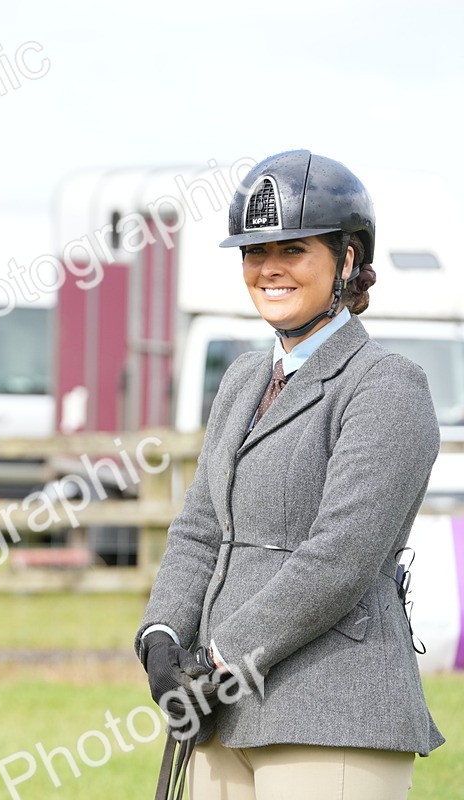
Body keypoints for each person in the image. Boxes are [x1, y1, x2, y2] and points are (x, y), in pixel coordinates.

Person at [135, 150, 443, 799]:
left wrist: (218, 657)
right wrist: (162, 639)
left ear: (349, 261)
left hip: (332, 715)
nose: (268, 267)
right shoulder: (244, 378)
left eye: (294, 249)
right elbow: (199, 528)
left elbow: (339, 557)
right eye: (254, 251)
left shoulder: (387, 388)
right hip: (223, 719)